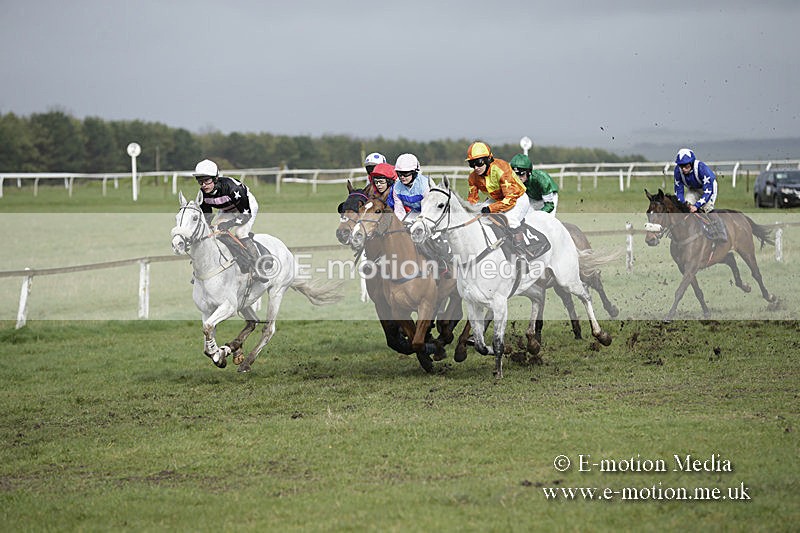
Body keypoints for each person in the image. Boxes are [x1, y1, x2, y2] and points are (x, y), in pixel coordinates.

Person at [193, 158, 266, 277]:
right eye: (200, 181)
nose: (203, 185)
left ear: (215, 178)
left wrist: (229, 224)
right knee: (216, 232)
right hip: (228, 209)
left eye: (206, 180)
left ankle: (259, 266)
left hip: (246, 208)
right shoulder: (202, 194)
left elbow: (245, 215)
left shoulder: (233, 188)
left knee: (241, 232)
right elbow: (207, 216)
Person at [465, 141, 532, 249]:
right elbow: (472, 200)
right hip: (496, 199)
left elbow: (509, 200)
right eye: (472, 164)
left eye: (479, 162)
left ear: (488, 160)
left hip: (517, 198)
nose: (476, 167)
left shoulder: (501, 168)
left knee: (511, 221)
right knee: (479, 218)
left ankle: (522, 254)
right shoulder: (473, 177)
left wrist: (491, 208)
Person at [673, 148, 726, 241]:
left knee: (707, 208)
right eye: (681, 166)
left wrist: (697, 206)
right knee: (685, 208)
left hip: (709, 189)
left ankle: (721, 231)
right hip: (693, 189)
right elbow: (679, 191)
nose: (684, 169)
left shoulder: (702, 169)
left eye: (686, 166)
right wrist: (683, 204)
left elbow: (708, 191)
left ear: (692, 163)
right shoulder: (677, 171)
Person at [389, 153, 430, 222]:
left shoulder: (425, 185)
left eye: (405, 173)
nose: (402, 177)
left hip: (430, 214)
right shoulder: (396, 187)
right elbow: (399, 212)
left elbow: (428, 210)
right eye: (399, 173)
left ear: (414, 172)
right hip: (415, 213)